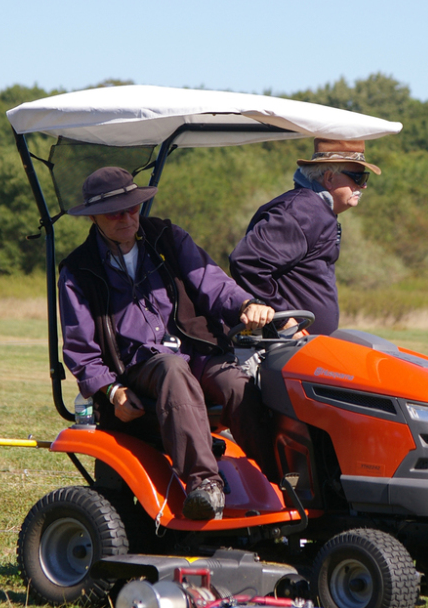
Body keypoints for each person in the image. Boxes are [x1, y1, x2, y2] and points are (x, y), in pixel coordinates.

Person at [58, 166, 277, 521]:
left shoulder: (167, 238)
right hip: (138, 368)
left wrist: (246, 305)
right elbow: (81, 350)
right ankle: (205, 486)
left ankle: (279, 482)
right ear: (94, 217)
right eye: (116, 211)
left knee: (239, 383)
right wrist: (112, 392)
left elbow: (212, 282)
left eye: (132, 208)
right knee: (172, 368)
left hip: (197, 350)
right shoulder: (77, 270)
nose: (128, 217)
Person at [229, 138, 378, 336]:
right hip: (283, 348)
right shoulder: (302, 211)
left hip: (302, 348)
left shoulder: (315, 209)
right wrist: (283, 319)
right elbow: (248, 262)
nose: (364, 186)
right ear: (329, 178)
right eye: (358, 178)